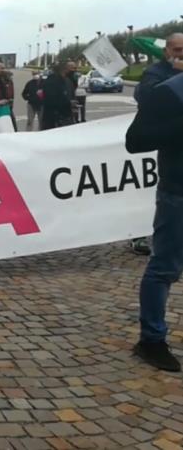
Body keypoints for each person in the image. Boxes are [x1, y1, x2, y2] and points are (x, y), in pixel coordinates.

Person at [125, 71, 183, 372]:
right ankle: (151, 340)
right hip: (178, 195)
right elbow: (135, 141)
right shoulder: (168, 92)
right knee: (165, 268)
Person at [129, 33, 183, 256]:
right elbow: (148, 99)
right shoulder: (155, 73)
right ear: (166, 51)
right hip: (174, 172)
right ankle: (138, 234)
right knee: (164, 263)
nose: (182, 54)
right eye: (177, 50)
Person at [40, 60, 77, 130]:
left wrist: (72, 105)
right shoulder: (51, 81)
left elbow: (71, 95)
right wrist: (68, 103)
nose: (74, 71)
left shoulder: (68, 81)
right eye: (71, 68)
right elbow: (50, 100)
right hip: (54, 120)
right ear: (64, 69)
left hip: (67, 117)